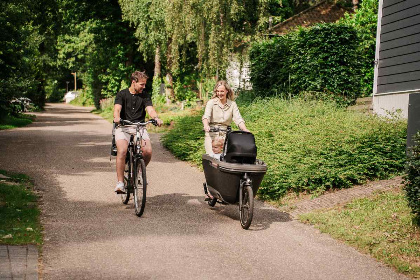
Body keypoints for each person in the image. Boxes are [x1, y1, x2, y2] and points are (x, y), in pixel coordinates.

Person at [113, 71, 163, 194]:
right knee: (122, 151)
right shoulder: (122, 94)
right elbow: (117, 109)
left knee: (147, 151)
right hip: (123, 126)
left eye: (145, 84)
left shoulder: (145, 95)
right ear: (133, 82)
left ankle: (139, 171)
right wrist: (117, 117)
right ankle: (120, 183)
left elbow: (150, 109)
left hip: (139, 127)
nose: (144, 87)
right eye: (142, 84)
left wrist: (156, 117)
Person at [202, 80, 249, 155]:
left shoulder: (232, 104)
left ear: (227, 91)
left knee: (225, 159)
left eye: (222, 91)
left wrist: (244, 129)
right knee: (213, 158)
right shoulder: (211, 102)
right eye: (217, 91)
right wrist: (206, 125)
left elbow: (238, 119)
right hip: (212, 135)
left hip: (225, 136)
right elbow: (206, 116)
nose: (219, 93)